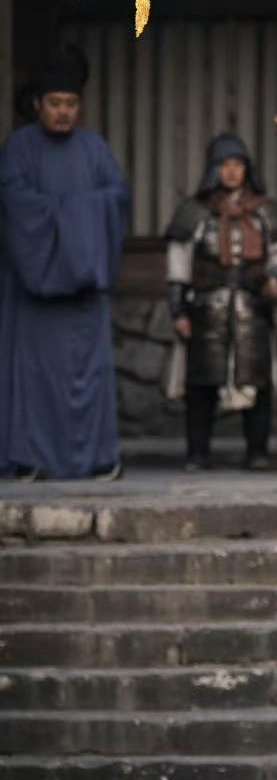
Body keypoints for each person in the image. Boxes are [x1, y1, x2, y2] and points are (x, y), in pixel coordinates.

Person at [0, 46, 130, 481]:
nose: (62, 112)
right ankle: (30, 457)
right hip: (34, 291)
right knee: (34, 376)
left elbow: (118, 197)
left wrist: (72, 214)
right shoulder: (19, 148)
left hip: (85, 293)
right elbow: (15, 205)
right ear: (38, 104)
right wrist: (81, 216)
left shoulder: (95, 148)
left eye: (71, 104)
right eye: (55, 103)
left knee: (90, 375)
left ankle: (97, 458)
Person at [165, 133, 277, 470]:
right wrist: (178, 311)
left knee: (257, 381)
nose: (232, 171)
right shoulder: (194, 212)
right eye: (225, 165)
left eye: (238, 164)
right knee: (201, 384)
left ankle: (257, 452)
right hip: (206, 309)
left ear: (247, 168)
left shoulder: (264, 212)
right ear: (214, 169)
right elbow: (179, 263)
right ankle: (198, 453)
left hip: (252, 308)